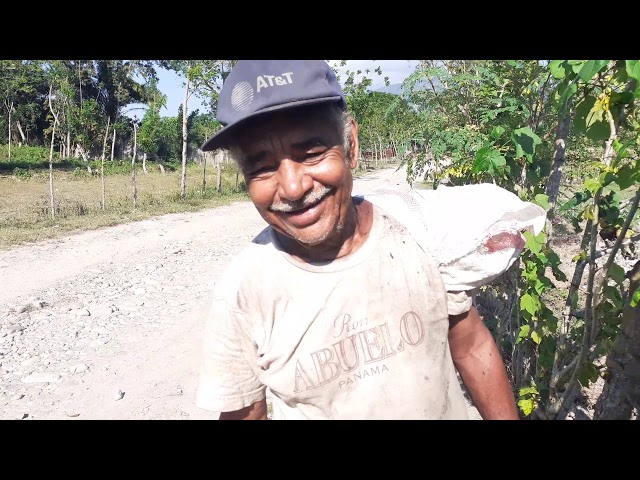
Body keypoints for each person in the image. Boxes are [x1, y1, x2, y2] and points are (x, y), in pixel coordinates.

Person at [195, 60, 546, 420]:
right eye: (262, 167)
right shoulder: (243, 293)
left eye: (312, 154)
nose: (294, 187)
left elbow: (471, 346)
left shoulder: (414, 231)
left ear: (350, 146)